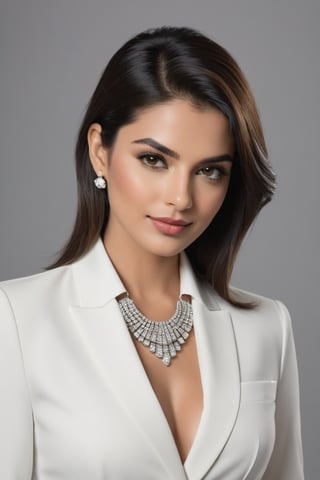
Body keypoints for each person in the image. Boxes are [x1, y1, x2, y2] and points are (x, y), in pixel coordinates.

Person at [0, 26, 304, 479]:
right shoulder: (16, 321)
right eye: (154, 160)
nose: (181, 198)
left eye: (209, 171)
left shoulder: (267, 327)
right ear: (99, 151)